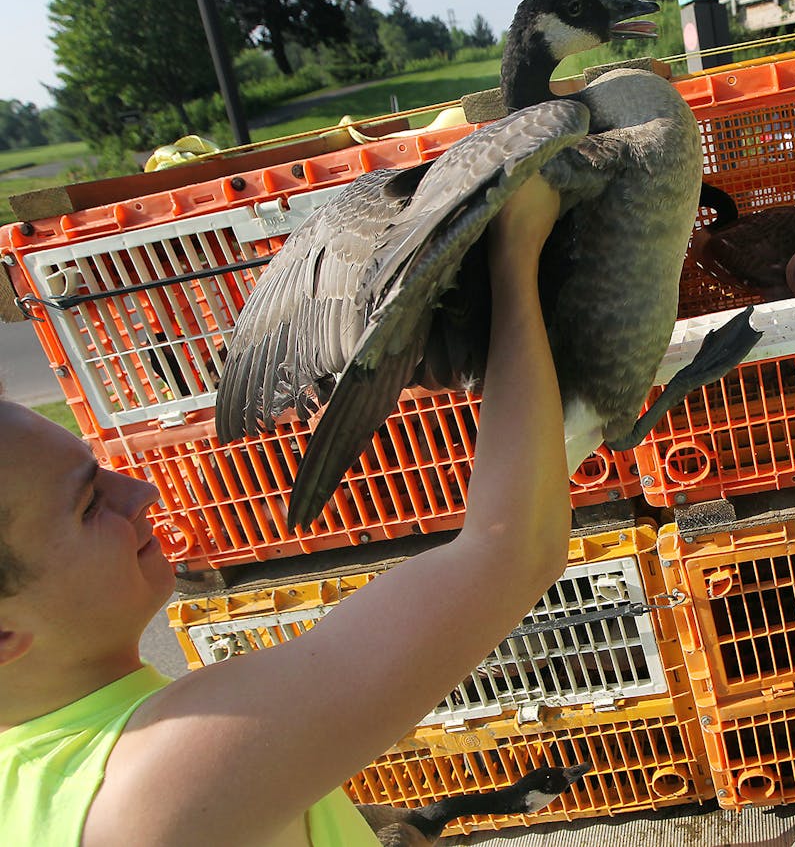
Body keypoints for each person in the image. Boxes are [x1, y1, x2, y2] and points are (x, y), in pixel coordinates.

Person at [0, 175, 572, 847]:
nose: (141, 492)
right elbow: (511, 552)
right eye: (91, 503)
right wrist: (516, 249)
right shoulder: (155, 787)